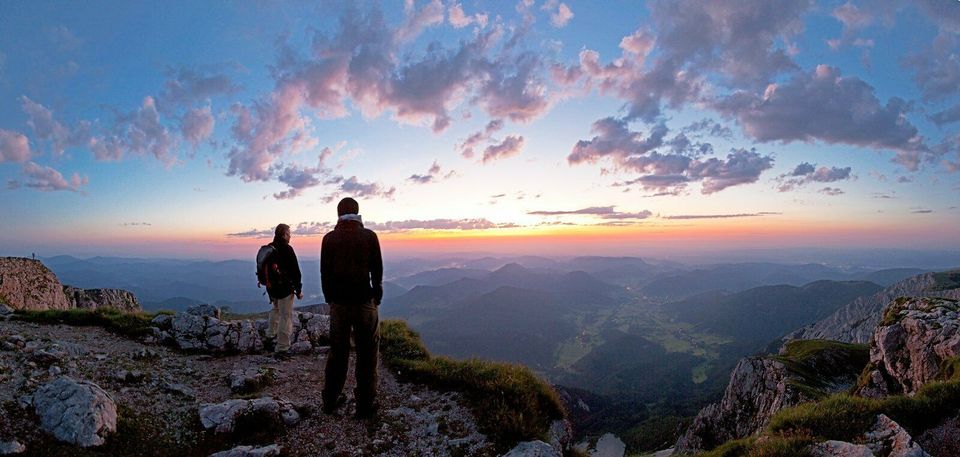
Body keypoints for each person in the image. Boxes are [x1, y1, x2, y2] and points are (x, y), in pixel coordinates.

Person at [321, 197, 383, 419]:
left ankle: (330, 400)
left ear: (338, 214)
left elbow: (324, 273)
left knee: (338, 353)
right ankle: (365, 405)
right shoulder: (369, 236)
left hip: (339, 303)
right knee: (367, 353)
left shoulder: (329, 239)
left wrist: (330, 298)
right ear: (357, 212)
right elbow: (377, 270)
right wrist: (377, 294)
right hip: (364, 302)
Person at [265, 223, 303, 360]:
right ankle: (282, 348)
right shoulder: (287, 249)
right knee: (285, 317)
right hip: (285, 289)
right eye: (288, 233)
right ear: (283, 234)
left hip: (271, 288)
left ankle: (270, 336)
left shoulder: (270, 248)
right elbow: (296, 271)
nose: (290, 236)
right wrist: (299, 289)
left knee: (275, 310)